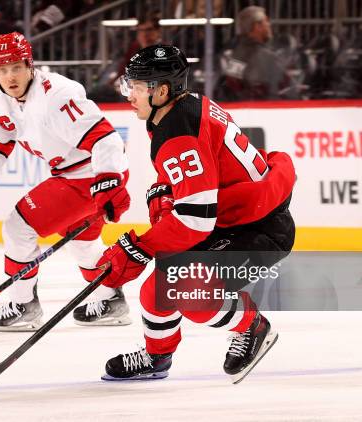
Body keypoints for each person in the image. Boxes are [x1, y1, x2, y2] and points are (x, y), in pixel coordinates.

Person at [96, 45, 296, 383]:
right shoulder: (179, 109)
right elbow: (195, 177)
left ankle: (253, 327)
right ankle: (157, 357)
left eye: (137, 86)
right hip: (234, 217)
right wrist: (163, 196)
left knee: (190, 291)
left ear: (161, 90)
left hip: (259, 229)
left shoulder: (177, 127)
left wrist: (137, 248)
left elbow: (194, 219)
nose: (129, 93)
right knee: (156, 290)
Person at [0, 32, 131, 331]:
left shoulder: (57, 95)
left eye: (16, 67)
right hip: (77, 174)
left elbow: (105, 138)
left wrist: (110, 180)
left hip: (92, 175)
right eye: (2, 70)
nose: (10, 76)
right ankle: (111, 300)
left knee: (17, 228)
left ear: (30, 66)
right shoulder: (0, 100)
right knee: (83, 243)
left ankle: (23, 305)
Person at [220, 6, 298, 100]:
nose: (269, 25)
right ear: (258, 26)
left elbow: (231, 83)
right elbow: (288, 87)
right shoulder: (266, 57)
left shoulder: (237, 54)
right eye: (266, 21)